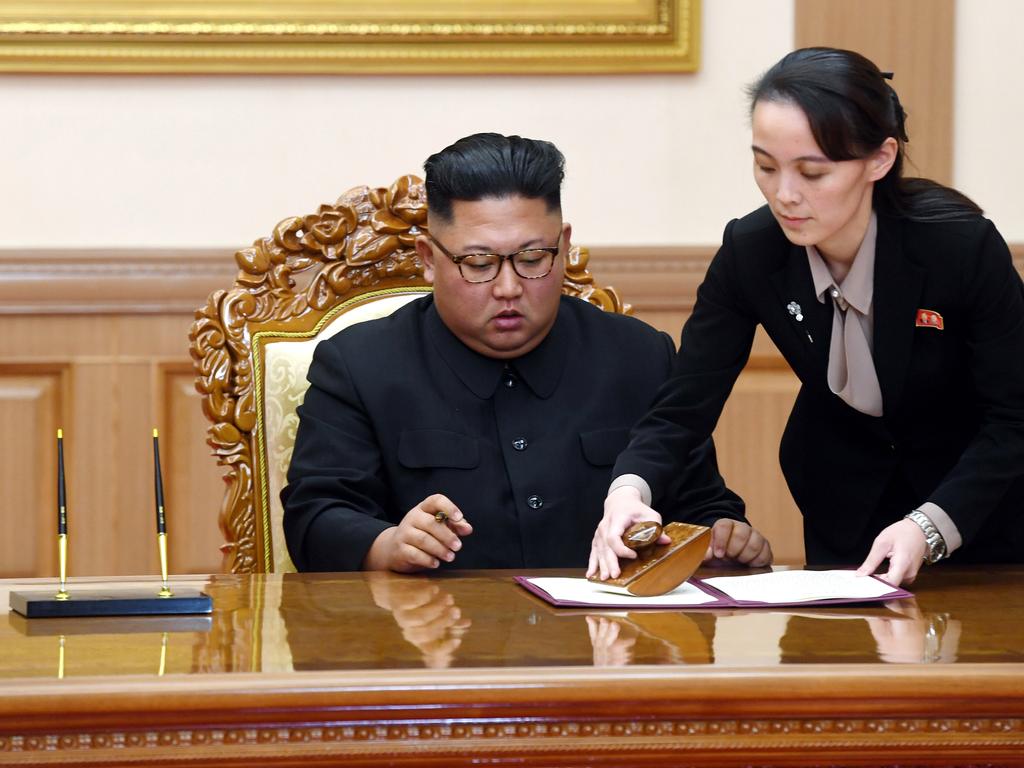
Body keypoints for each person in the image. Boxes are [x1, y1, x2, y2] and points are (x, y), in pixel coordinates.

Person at [590, 47, 1024, 587]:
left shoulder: (960, 250)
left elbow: (1013, 418)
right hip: (843, 506)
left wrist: (930, 527)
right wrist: (629, 492)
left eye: (812, 172)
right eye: (765, 166)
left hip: (981, 514)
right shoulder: (751, 251)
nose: (784, 195)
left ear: (880, 160)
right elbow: (683, 408)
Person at [282, 132, 772, 572]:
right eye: (479, 263)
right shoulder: (359, 366)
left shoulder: (640, 357)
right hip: (434, 650)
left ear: (564, 247)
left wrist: (726, 534)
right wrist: (388, 543)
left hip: (605, 648)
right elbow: (314, 519)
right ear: (428, 259)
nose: (509, 287)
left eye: (533, 259)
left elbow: (702, 506)